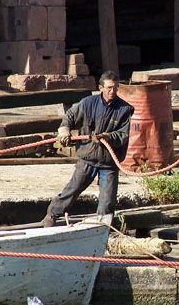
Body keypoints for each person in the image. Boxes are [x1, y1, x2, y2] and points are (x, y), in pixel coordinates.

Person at [40, 70, 134, 227]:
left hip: (108, 162)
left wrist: (108, 137)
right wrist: (64, 129)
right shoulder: (88, 103)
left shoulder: (124, 109)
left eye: (115, 88)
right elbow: (70, 116)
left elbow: (123, 136)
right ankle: (51, 216)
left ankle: (103, 228)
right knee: (72, 190)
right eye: (109, 88)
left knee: (108, 199)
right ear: (100, 88)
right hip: (87, 158)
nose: (113, 92)